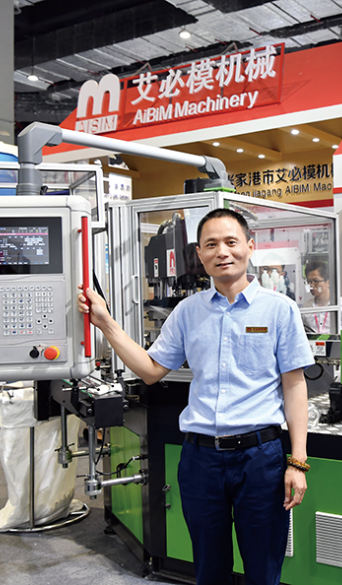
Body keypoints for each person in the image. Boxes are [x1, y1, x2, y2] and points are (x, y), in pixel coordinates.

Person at [77, 208, 313, 585]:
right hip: (201, 460)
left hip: (260, 460)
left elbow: (294, 385)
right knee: (208, 569)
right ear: (200, 255)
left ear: (250, 246)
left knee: (263, 570)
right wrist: (105, 323)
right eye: (211, 244)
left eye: (231, 242)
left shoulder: (279, 310)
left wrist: (297, 462)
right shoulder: (188, 312)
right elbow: (151, 369)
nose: (223, 252)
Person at [301, 260, 342, 333]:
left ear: (328, 282)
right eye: (309, 281)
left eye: (316, 281)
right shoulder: (305, 307)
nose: (311, 285)